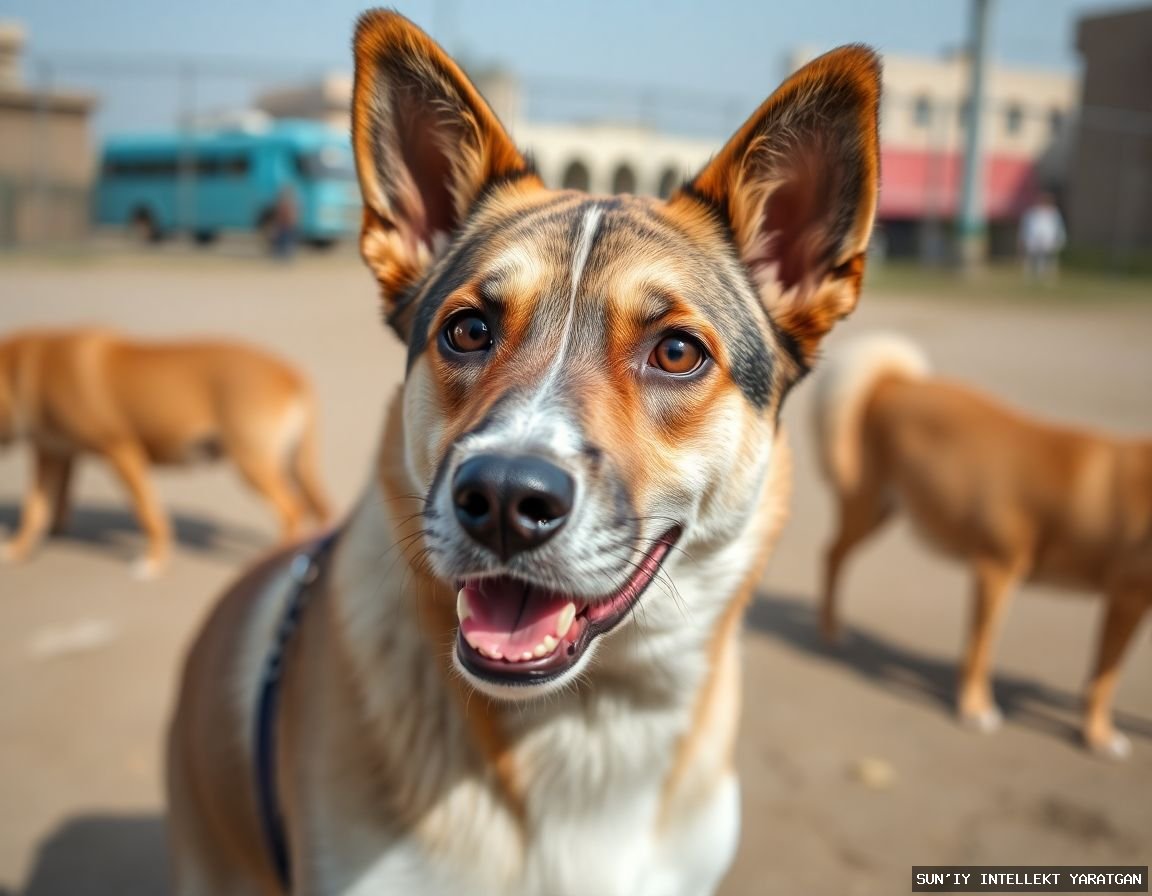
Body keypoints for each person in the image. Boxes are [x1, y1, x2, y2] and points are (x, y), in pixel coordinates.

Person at [1019, 192, 1066, 281]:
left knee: (1049, 260)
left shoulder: (1053, 214)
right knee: (1032, 259)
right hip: (1033, 240)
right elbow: (1026, 227)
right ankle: (1031, 278)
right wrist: (1023, 239)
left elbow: (1059, 228)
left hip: (1049, 240)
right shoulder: (1031, 213)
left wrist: (1060, 239)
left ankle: (1048, 277)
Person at [270, 186, 299, 260]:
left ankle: (285, 254)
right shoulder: (286, 203)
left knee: (286, 240)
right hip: (285, 225)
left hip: (287, 225)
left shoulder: (289, 203)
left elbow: (291, 215)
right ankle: (283, 254)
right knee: (283, 240)